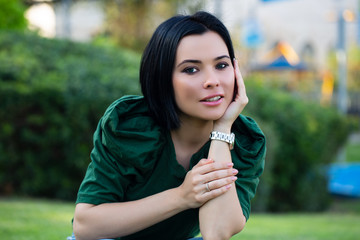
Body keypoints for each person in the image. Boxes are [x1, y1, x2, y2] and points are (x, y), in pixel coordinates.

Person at [72, 11, 266, 240]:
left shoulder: (245, 140)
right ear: (162, 78)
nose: (212, 80)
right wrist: (181, 197)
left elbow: (216, 233)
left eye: (221, 65)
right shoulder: (129, 124)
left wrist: (222, 130)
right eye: (191, 69)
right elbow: (86, 226)